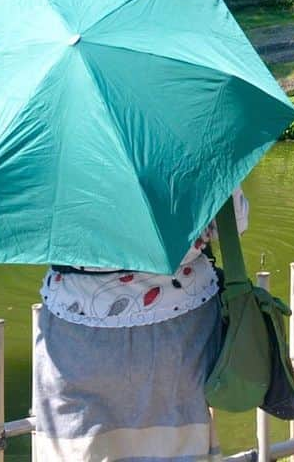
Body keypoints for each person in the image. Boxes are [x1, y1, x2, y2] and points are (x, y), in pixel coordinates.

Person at [32, 189, 249, 462]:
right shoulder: (186, 145)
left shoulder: (54, 152)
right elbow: (235, 220)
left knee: (79, 447)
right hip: (179, 324)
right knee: (176, 446)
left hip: (74, 328)